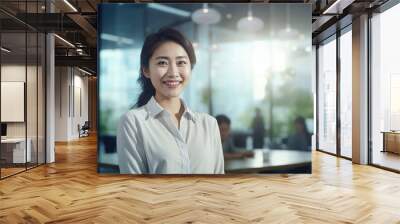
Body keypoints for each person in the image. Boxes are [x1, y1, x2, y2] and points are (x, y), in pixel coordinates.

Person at [117, 28, 224, 174]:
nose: (173, 73)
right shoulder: (133, 122)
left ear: (190, 69)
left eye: (181, 63)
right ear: (146, 70)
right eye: (162, 63)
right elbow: (134, 188)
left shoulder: (209, 124)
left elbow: (218, 183)